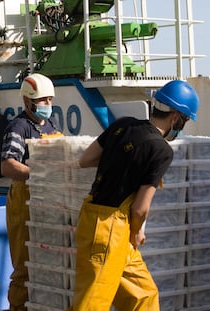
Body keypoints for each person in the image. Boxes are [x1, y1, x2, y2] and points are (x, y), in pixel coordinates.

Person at [69, 80, 199, 311]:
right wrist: (137, 231)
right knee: (91, 303)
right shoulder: (161, 150)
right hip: (111, 231)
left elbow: (85, 160)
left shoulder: (123, 125)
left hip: (94, 218)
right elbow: (140, 208)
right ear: (177, 117)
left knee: (143, 295)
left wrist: (119, 159)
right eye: (185, 120)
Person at [1, 73, 62, 311]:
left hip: (49, 199)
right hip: (24, 200)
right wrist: (37, 173)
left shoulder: (52, 124)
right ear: (27, 101)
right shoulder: (18, 127)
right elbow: (7, 165)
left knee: (49, 261)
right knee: (25, 264)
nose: (47, 105)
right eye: (42, 100)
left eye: (49, 100)